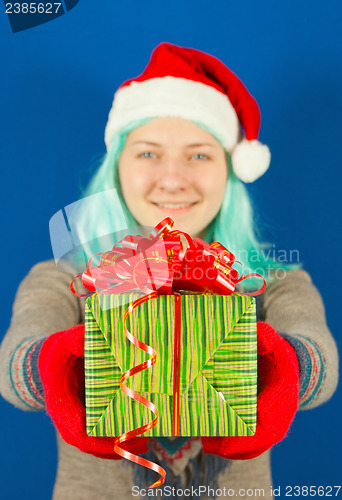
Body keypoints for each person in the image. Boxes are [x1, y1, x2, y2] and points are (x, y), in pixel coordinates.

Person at [0, 42, 339, 500]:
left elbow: (320, 363)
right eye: (147, 153)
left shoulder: (274, 284)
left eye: (199, 155)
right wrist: (66, 365)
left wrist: (276, 365)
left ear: (229, 172)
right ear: (116, 167)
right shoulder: (64, 277)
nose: (174, 178)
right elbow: (14, 370)